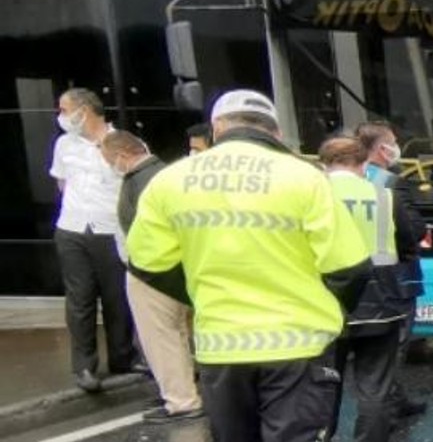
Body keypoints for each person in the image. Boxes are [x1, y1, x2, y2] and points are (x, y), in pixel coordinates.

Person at [127, 90, 371, 442]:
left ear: (217, 128)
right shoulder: (306, 178)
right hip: (298, 345)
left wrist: (199, 293)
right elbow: (351, 267)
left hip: (221, 347)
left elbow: (146, 263)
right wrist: (328, 310)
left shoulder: (169, 181)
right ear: (277, 133)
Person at [321, 136, 420, 442]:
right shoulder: (383, 195)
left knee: (323, 386)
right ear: (364, 164)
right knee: (375, 388)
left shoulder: (314, 195)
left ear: (322, 165)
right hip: (381, 303)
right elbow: (409, 240)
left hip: (327, 304)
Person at [101, 130, 203, 424]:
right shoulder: (163, 176)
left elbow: (144, 228)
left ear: (122, 155)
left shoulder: (145, 181)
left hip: (153, 272)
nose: (110, 166)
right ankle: (185, 394)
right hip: (174, 270)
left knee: (162, 338)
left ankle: (182, 400)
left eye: (109, 159)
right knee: (178, 335)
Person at [48, 88, 141, 392]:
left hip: (110, 229)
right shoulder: (64, 144)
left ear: (84, 110)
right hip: (73, 228)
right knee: (80, 299)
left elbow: (135, 183)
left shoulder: (125, 142)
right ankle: (85, 368)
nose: (61, 117)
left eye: (64, 110)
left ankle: (122, 357)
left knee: (117, 297)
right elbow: (61, 182)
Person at [355, 122, 428, 420]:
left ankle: (396, 401)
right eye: (394, 142)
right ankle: (386, 410)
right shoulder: (391, 182)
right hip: (393, 277)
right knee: (391, 348)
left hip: (347, 277)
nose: (397, 148)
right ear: (382, 149)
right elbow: (413, 230)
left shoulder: (334, 181)